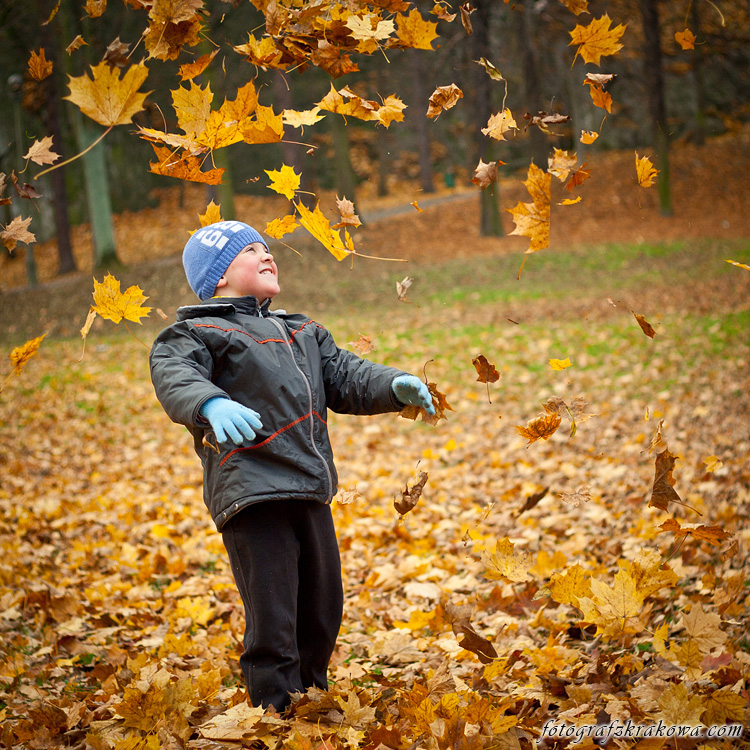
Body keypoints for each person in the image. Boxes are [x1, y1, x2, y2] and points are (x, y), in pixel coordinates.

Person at [149, 220, 435, 712]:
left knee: (322, 608)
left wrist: (394, 384)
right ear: (218, 276)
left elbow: (347, 375)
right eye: (250, 251)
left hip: (308, 487)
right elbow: (174, 372)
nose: (267, 254)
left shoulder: (302, 331)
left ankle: (310, 698)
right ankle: (273, 709)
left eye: (267, 247)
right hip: (252, 491)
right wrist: (210, 404)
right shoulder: (198, 332)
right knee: (274, 612)